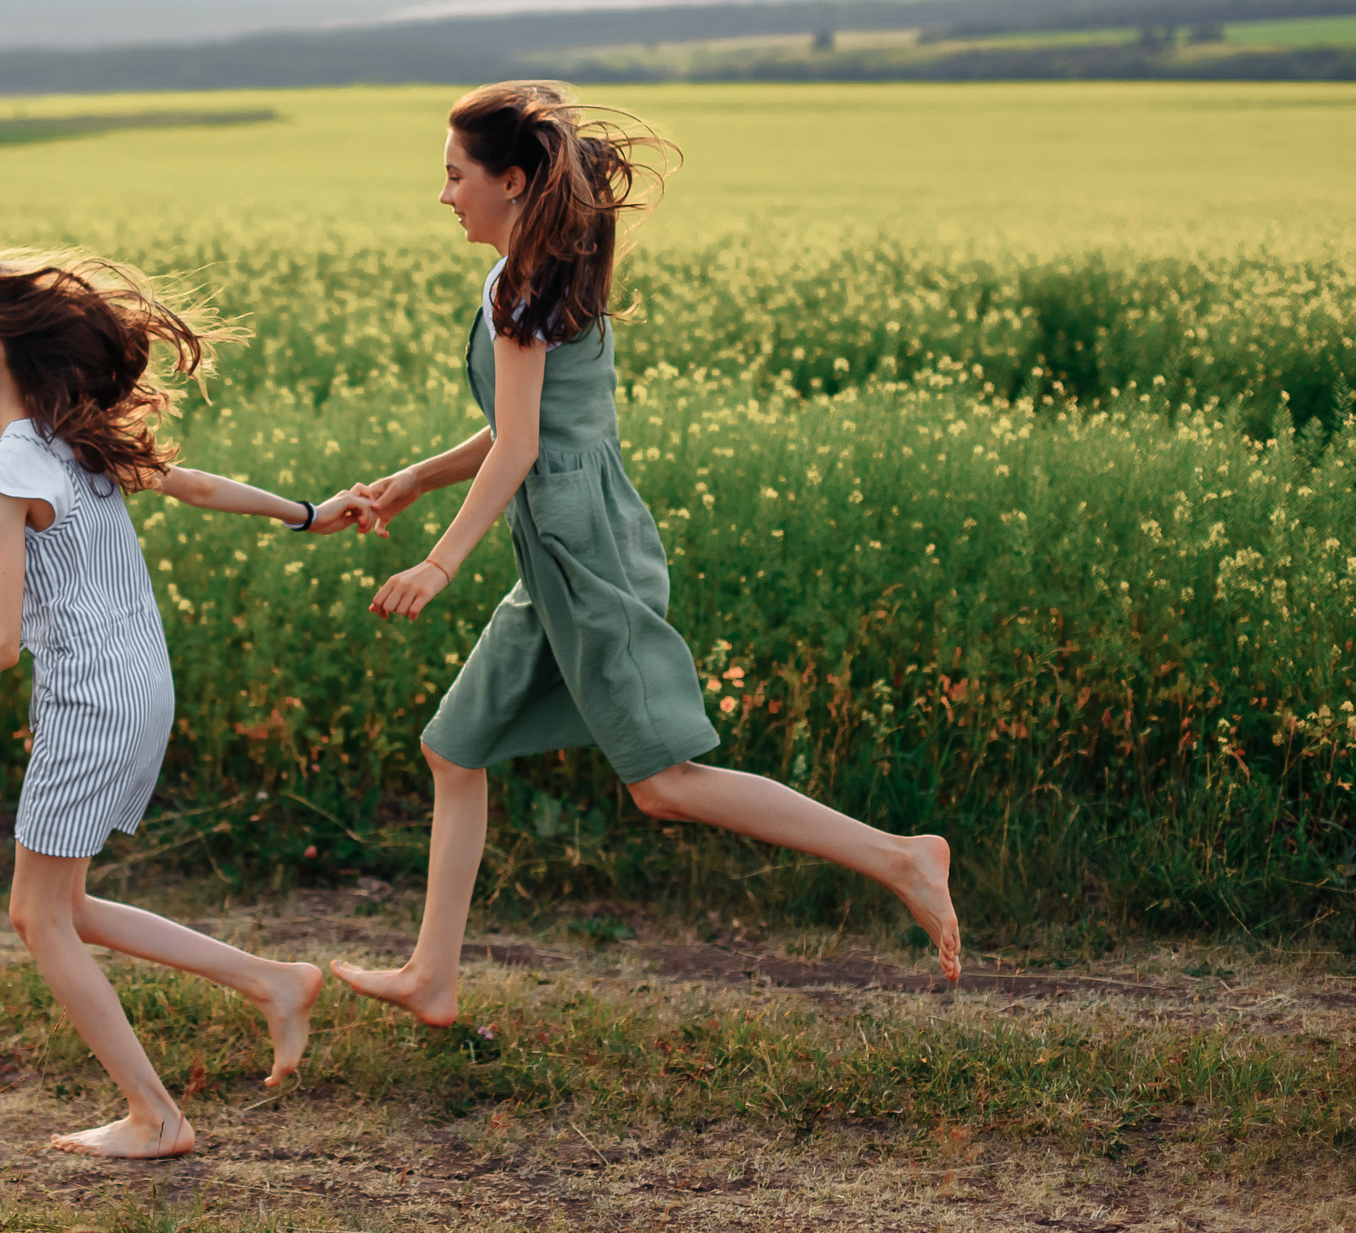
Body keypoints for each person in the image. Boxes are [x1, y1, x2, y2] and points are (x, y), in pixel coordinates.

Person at [329, 81, 962, 1028]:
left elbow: (522, 447)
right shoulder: (528, 272)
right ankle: (432, 975)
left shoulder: (525, 285)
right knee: (453, 749)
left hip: (587, 557)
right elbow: (521, 427)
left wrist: (439, 562)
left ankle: (902, 856)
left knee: (663, 783)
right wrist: (417, 480)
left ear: (509, 180)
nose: (446, 195)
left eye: (455, 177)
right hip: (555, 556)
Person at [0, 246, 371, 1159]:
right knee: (65, 904)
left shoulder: (13, 468)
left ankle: (156, 1116)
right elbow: (197, 484)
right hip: (140, 686)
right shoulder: (74, 440)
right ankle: (272, 981)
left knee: (36, 914)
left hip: (92, 702)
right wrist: (306, 511)